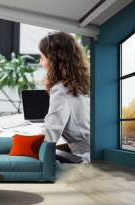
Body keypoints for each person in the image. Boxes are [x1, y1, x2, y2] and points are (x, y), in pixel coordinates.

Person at [39, 32, 91, 162]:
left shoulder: (61, 89)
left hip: (85, 157)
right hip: (96, 151)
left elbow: (50, 134)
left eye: (42, 58)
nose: (41, 63)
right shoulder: (84, 83)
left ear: (53, 61)